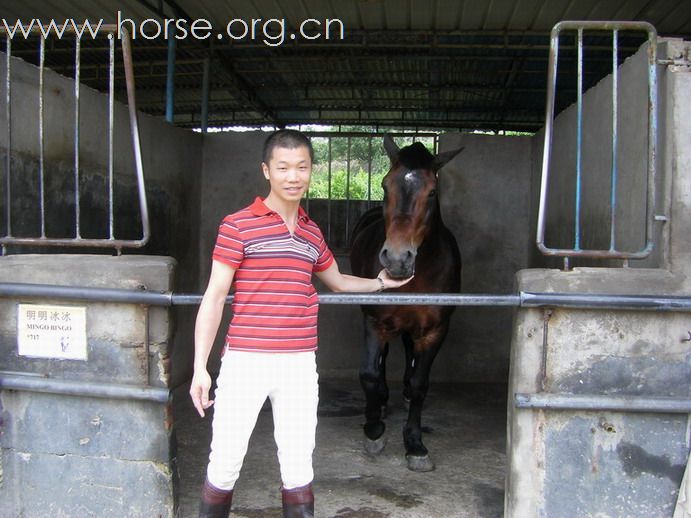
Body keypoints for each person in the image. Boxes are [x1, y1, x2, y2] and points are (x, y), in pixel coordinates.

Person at [190, 129, 412, 518]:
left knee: (298, 467)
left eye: (302, 167)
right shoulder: (238, 225)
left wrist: (380, 282)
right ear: (267, 171)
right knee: (225, 462)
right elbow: (213, 297)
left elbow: (338, 280)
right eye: (283, 167)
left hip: (298, 364)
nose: (293, 176)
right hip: (245, 360)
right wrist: (200, 368)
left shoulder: (311, 232)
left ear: (311, 170)